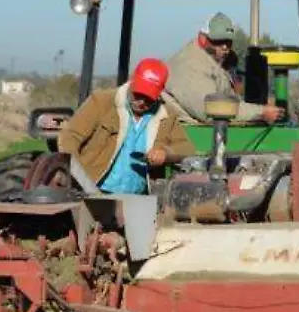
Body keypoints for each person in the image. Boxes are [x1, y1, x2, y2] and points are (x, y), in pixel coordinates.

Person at [57, 57, 197, 195]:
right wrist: (78, 180)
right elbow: (70, 136)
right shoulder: (101, 102)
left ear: (159, 93)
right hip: (94, 192)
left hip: (139, 199)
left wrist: (166, 154)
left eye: (148, 98)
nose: (141, 102)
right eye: (138, 94)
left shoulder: (166, 115)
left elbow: (188, 149)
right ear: (133, 80)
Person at [163, 12, 283, 125]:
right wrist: (261, 112)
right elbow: (211, 111)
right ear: (203, 39)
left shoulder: (214, 61)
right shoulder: (191, 66)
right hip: (189, 135)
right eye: (218, 41)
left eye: (228, 42)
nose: (225, 47)